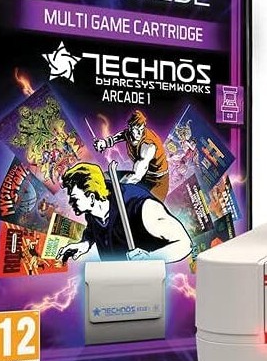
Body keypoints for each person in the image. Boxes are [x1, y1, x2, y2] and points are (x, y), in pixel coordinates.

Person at [59, 162, 191, 264]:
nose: (70, 202)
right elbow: (94, 229)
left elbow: (184, 244)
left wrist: (149, 258)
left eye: (74, 198)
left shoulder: (142, 208)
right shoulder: (92, 209)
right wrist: (84, 244)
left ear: (92, 197)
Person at [95, 109, 170, 200]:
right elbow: (121, 135)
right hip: (144, 177)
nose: (139, 133)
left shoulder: (148, 145)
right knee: (105, 177)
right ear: (130, 127)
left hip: (157, 183)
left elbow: (137, 175)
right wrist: (104, 143)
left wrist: (118, 189)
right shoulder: (129, 134)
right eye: (137, 129)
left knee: (140, 205)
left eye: (141, 129)